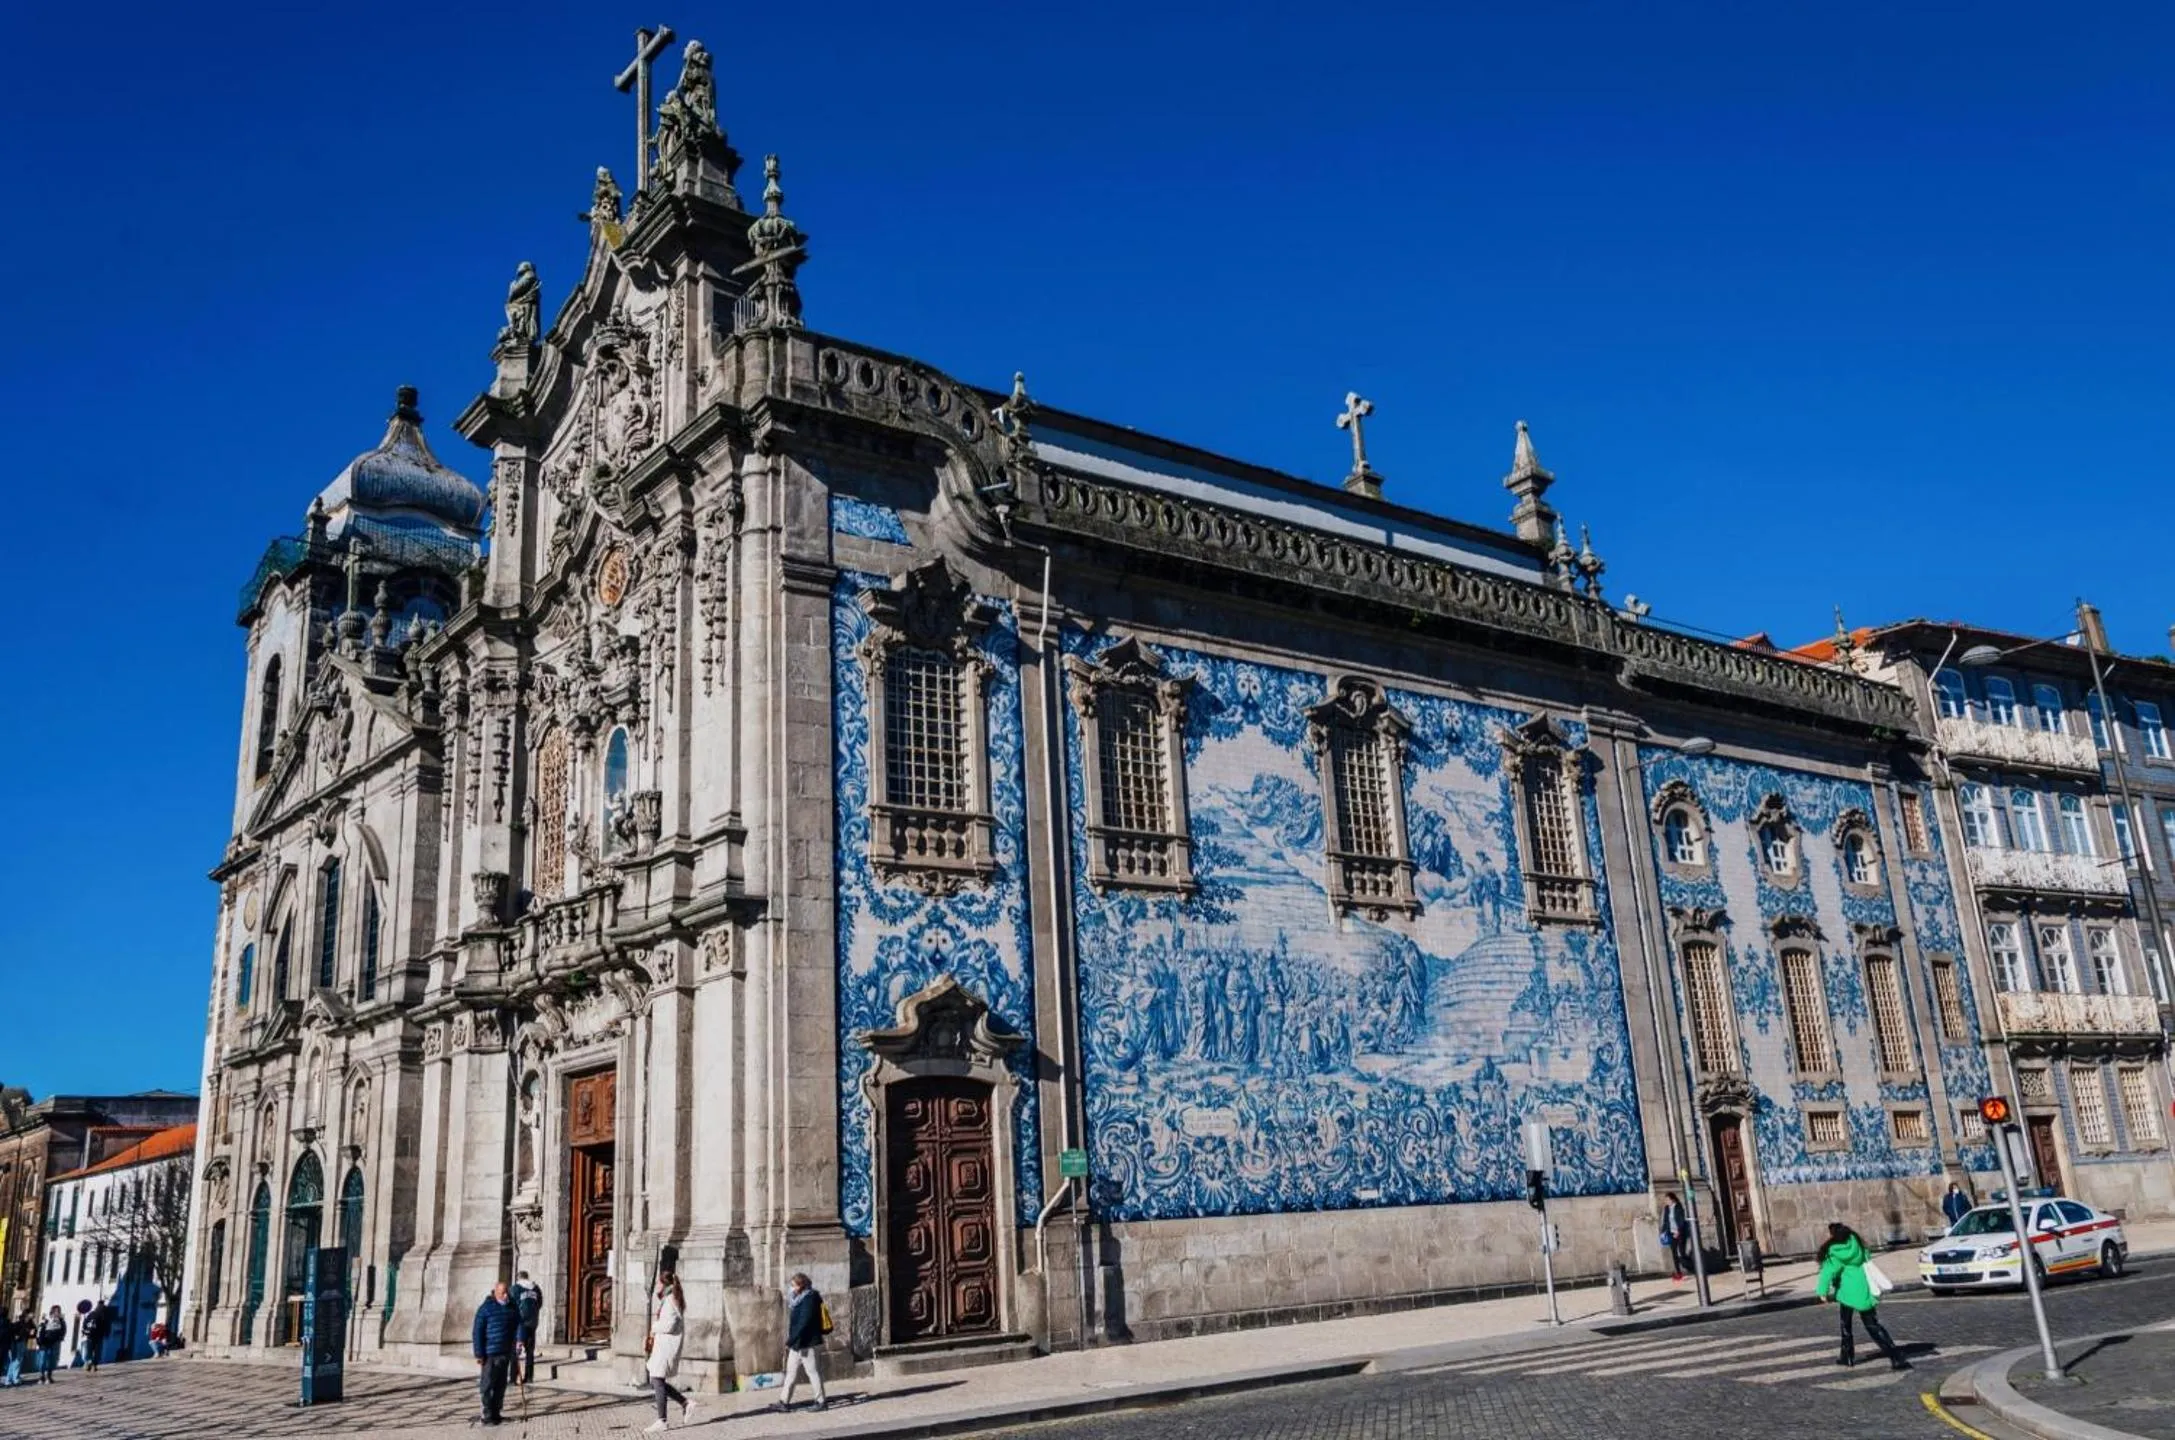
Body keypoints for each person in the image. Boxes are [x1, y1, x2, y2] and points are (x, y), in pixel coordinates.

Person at [1815, 1222, 1910, 1371]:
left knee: (1846, 1325)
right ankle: (1895, 1356)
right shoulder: (1857, 1244)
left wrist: (1822, 1291)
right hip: (1863, 1288)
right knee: (1873, 1325)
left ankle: (1848, 1357)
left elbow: (1828, 1271)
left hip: (1846, 1291)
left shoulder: (1835, 1251)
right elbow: (1867, 1256)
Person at [643, 1269, 699, 1434]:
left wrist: (653, 1327)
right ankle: (685, 1403)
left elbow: (669, 1325)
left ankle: (662, 1420)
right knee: (656, 1379)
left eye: (658, 1283)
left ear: (664, 1283)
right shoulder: (670, 1299)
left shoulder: (670, 1300)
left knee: (657, 1378)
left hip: (666, 1347)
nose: (656, 1287)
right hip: (664, 1345)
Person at [773, 1272, 829, 1413]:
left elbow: (804, 1323)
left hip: (807, 1343)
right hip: (797, 1344)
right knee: (791, 1373)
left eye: (793, 1285)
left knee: (813, 1372)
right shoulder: (799, 1298)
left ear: (801, 1285)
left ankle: (821, 1401)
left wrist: (790, 1340)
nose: (791, 1288)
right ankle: (783, 1402)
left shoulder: (810, 1299)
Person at [471, 1280, 520, 1426]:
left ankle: (496, 1412)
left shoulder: (512, 1307)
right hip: (489, 1353)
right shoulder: (485, 1309)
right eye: (503, 1293)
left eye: (507, 1293)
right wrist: (479, 1354)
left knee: (500, 1385)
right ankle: (486, 1414)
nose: (506, 1296)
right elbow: (477, 1332)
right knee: (487, 1385)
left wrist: (520, 1339)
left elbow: (519, 1324)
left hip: (505, 1351)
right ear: (496, 1293)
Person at [510, 1271, 543, 1386]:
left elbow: (511, 1304)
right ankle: (529, 1376)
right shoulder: (536, 1288)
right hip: (533, 1322)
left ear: (518, 1277)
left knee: (516, 1350)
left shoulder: (515, 1288)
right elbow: (540, 1303)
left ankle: (513, 1377)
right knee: (530, 1351)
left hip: (520, 1323)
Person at [1658, 1191, 1692, 1282]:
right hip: (1671, 1233)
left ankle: (1693, 1265)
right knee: (1674, 1254)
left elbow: (1681, 1220)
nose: (1666, 1201)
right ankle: (1678, 1273)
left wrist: (1678, 1231)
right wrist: (1663, 1232)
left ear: (1672, 1199)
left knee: (1682, 1252)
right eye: (1666, 1200)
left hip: (1680, 1233)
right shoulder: (1667, 1208)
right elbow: (1665, 1221)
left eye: (1668, 1199)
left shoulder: (1678, 1207)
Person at [34, 1307, 65, 1383]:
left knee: (51, 1360)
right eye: (56, 1312)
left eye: (58, 1312)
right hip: (44, 1343)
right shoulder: (46, 1321)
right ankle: (41, 1376)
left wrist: (60, 1338)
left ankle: (49, 1375)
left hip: (53, 1343)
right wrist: (39, 1341)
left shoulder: (60, 1322)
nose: (57, 1313)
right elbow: (39, 1331)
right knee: (43, 1361)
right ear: (52, 1312)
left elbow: (63, 1330)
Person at [1, 1310, 21, 1387]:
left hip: (4, 1345)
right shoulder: (8, 1323)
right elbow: (12, 1332)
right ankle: (8, 1380)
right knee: (6, 1362)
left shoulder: (6, 1323)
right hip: (5, 1346)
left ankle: (8, 1380)